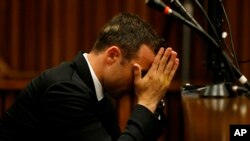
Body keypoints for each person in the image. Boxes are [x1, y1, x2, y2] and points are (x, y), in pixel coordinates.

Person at [0, 12, 179, 141]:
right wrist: (147, 103)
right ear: (112, 56)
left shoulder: (100, 95)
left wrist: (155, 102)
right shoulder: (66, 90)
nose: (139, 81)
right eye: (138, 71)